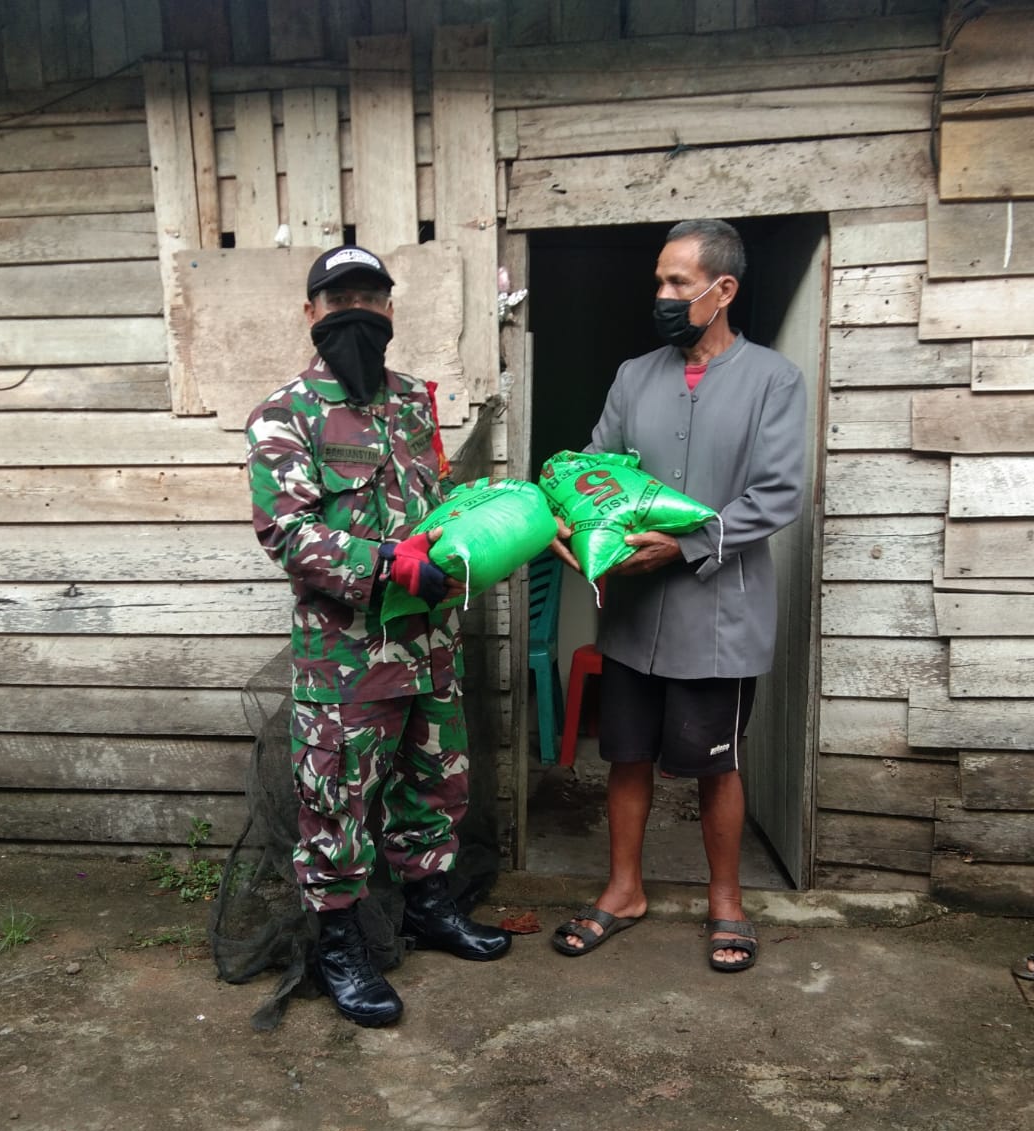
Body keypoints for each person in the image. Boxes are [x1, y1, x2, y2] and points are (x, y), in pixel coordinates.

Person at [244, 244, 510, 1028]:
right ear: (311, 314)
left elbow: (436, 502)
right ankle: (338, 950)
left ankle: (429, 907)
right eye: (340, 300)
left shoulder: (412, 404)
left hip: (429, 644)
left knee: (436, 784)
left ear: (392, 311)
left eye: (372, 298)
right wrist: (388, 563)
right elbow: (287, 535)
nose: (357, 312)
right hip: (346, 659)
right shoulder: (284, 415)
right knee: (337, 803)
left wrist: (481, 529)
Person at [549, 219, 806, 972]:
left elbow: (779, 491)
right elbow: (594, 462)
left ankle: (726, 900)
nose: (661, 295)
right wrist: (571, 516)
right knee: (624, 755)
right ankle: (623, 889)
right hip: (632, 613)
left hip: (718, 614)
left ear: (723, 290)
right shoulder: (635, 376)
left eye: (677, 283)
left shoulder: (772, 379)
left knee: (716, 762)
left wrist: (688, 542)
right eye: (658, 280)